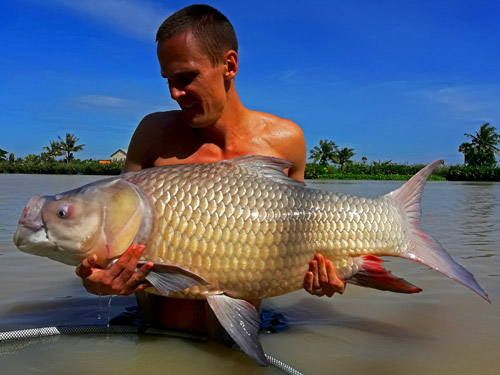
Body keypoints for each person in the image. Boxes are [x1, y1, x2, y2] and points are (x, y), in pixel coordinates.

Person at [76, 4, 344, 334]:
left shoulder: (285, 141)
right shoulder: (152, 135)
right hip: (151, 334)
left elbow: (302, 242)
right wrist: (97, 282)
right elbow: (111, 241)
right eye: (168, 80)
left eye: (186, 77)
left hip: (235, 338)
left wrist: (320, 277)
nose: (175, 93)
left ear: (229, 65)